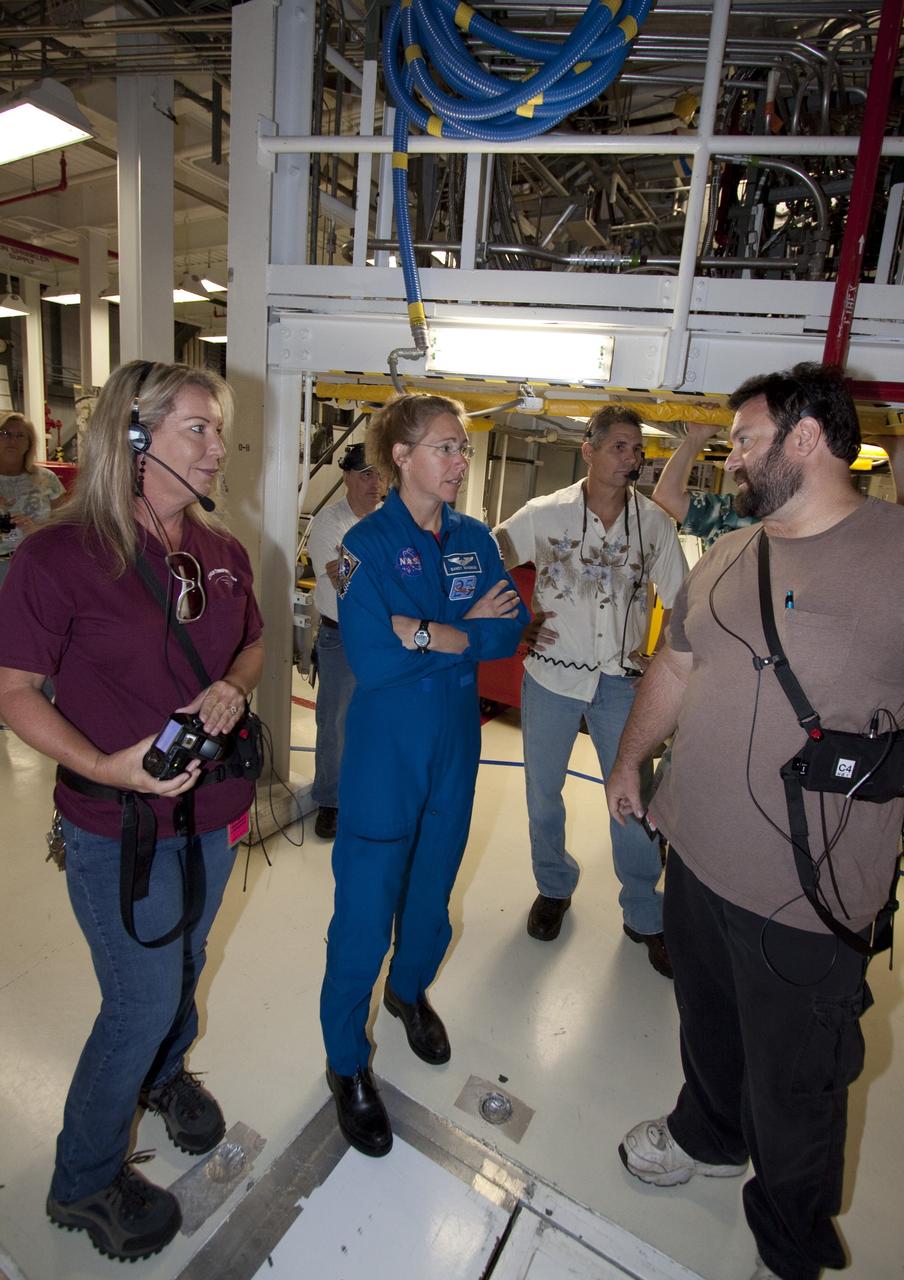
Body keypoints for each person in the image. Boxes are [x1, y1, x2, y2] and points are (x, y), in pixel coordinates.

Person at [606, 363, 904, 1280]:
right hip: (693, 859)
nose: (729, 459)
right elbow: (678, 663)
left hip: (805, 899)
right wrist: (629, 760)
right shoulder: (735, 551)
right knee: (709, 1025)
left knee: (799, 1084)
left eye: (744, 440)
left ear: (808, 440)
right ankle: (707, 1132)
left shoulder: (895, 559)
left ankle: (787, 1241)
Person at [0, 360, 264, 1263]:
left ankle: (161, 1077)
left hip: (214, 812)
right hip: (118, 828)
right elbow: (16, 691)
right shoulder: (58, 557)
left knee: (186, 963)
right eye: (199, 428)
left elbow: (257, 643)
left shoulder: (223, 552)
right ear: (137, 437)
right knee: (139, 1000)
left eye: (218, 429)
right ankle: (82, 1181)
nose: (218, 446)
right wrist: (105, 763)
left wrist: (231, 686)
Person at [320, 392, 530, 1158]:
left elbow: (507, 633)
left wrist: (427, 630)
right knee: (365, 914)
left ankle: (408, 994)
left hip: (454, 744)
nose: (460, 460)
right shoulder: (359, 545)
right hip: (385, 752)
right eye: (445, 446)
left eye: (463, 447)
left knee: (433, 895)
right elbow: (371, 658)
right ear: (400, 457)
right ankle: (346, 1062)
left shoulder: (475, 538)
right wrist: (461, 628)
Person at [493, 406, 686, 977]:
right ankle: (553, 885)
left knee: (631, 799)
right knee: (542, 795)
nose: (632, 458)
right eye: (621, 447)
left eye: (636, 449)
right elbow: (489, 559)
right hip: (551, 675)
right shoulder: (544, 513)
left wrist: (666, 660)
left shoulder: (653, 524)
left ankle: (644, 912)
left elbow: (680, 596)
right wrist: (509, 622)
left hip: (622, 684)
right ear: (590, 449)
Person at [307, 441, 381, 839]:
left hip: (384, 637)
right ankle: (330, 800)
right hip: (342, 637)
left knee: (378, 719)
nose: (376, 483)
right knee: (335, 721)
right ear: (348, 477)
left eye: (381, 474)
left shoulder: (391, 519)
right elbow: (342, 582)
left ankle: (365, 792)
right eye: (367, 473)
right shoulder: (329, 524)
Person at [651, 419, 758, 548]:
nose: (728, 465)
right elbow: (667, 496)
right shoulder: (733, 515)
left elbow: (666, 497)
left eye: (746, 443)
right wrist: (697, 435)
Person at [0, 409, 67, 589]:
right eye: (4, 433)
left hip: (39, 565)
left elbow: (67, 525)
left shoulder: (47, 479)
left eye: (20, 435)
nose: (12, 440)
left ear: (29, 443)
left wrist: (36, 530)